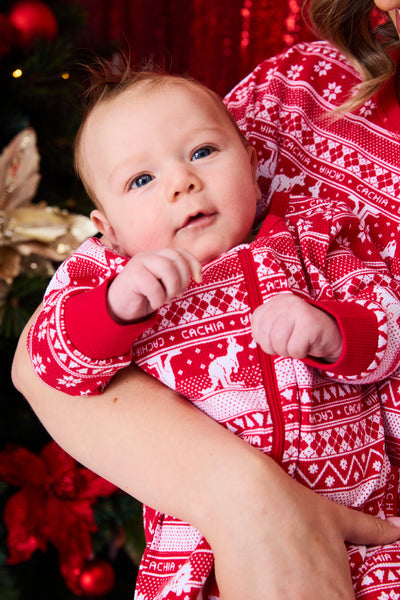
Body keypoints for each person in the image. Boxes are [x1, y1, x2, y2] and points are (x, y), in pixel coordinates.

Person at [11, 0, 400, 598]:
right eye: (141, 181)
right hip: (203, 556)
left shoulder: (313, 239)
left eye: (203, 154)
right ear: (105, 226)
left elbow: (385, 333)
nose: (181, 182)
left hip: (371, 527)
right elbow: (48, 363)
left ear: (251, 162)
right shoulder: (118, 271)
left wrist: (330, 330)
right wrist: (114, 308)